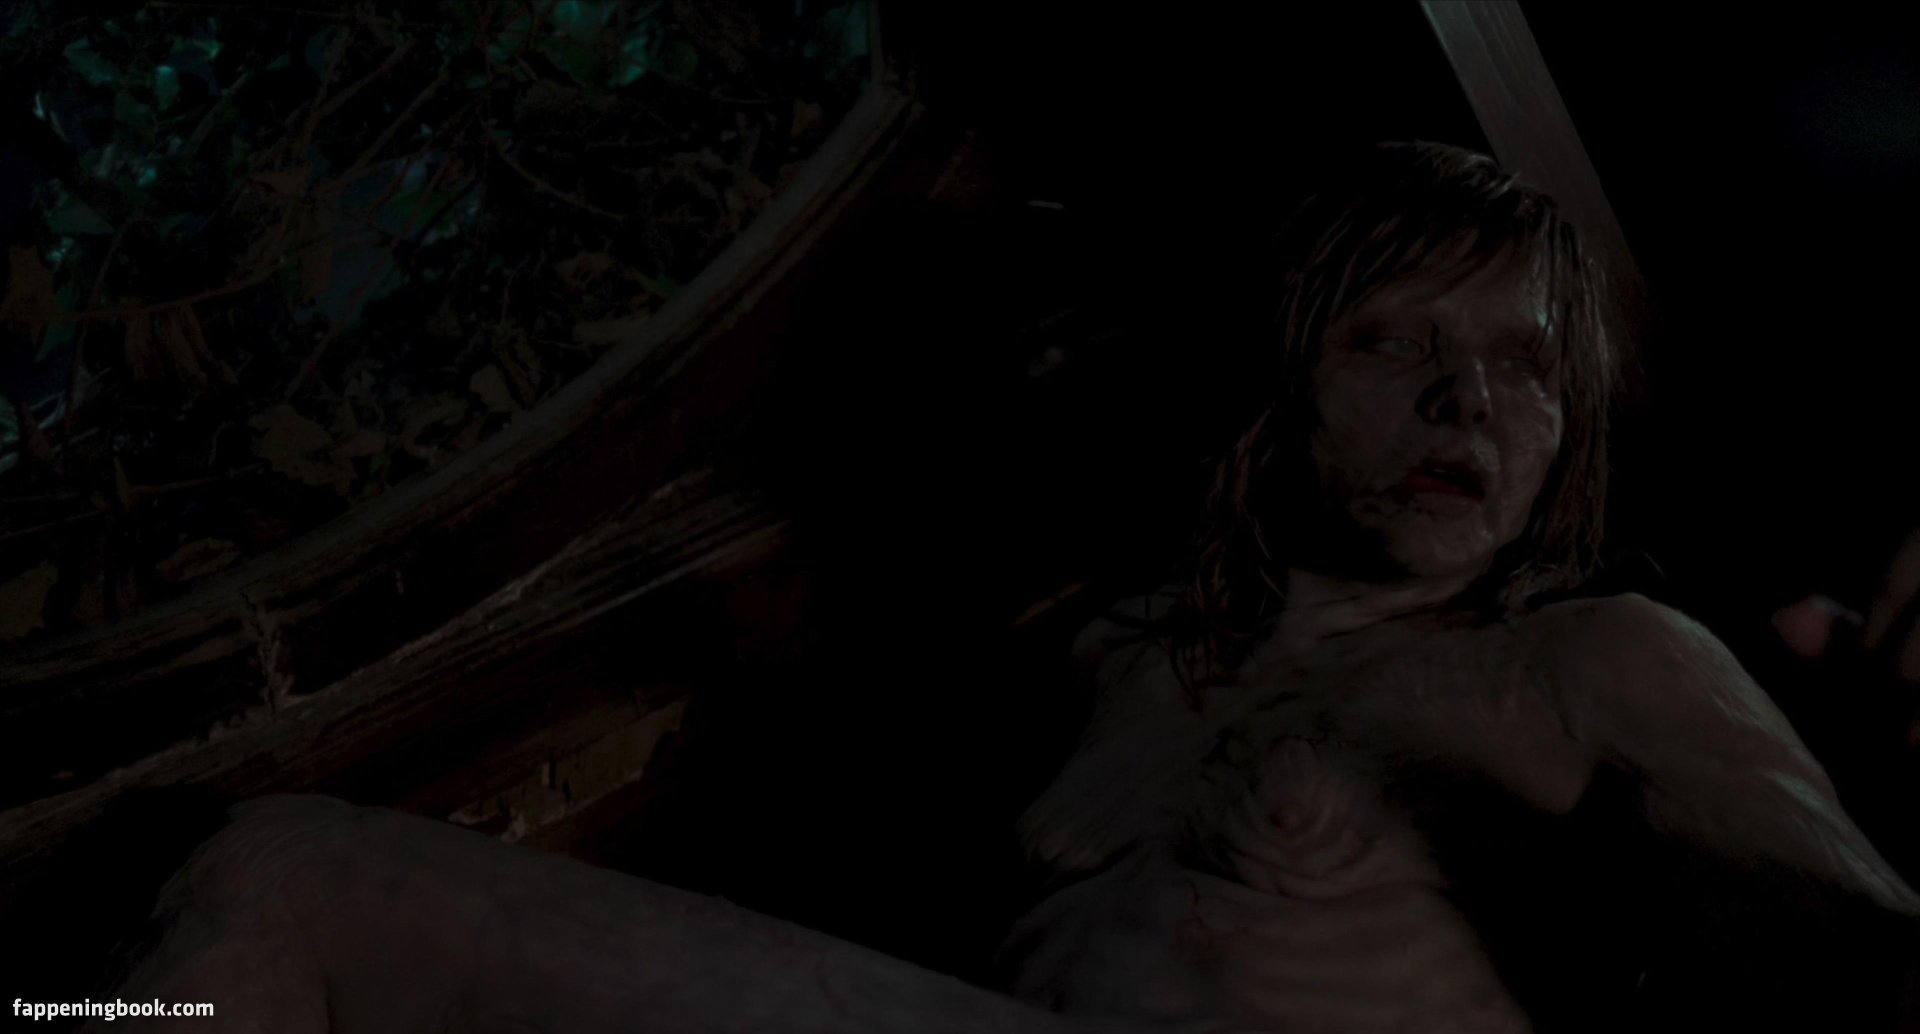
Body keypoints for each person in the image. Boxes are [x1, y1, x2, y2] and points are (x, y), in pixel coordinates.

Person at [89, 143, 1920, 1033]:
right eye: (1397, 341)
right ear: (1280, 382)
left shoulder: (1594, 660)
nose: (1470, 403)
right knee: (244, 879)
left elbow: (1864, 966)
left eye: (1528, 369)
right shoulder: (1108, 654)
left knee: (294, 876)